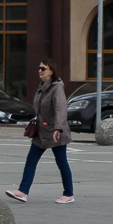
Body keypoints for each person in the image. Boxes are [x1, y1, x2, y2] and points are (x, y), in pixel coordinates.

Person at [6, 58, 74, 204]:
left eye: (43, 68)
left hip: (56, 131)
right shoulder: (42, 86)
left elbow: (60, 108)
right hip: (42, 130)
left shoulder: (56, 87)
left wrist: (58, 127)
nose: (40, 71)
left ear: (51, 72)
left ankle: (69, 194)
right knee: (31, 159)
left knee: (61, 161)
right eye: (39, 68)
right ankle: (22, 192)